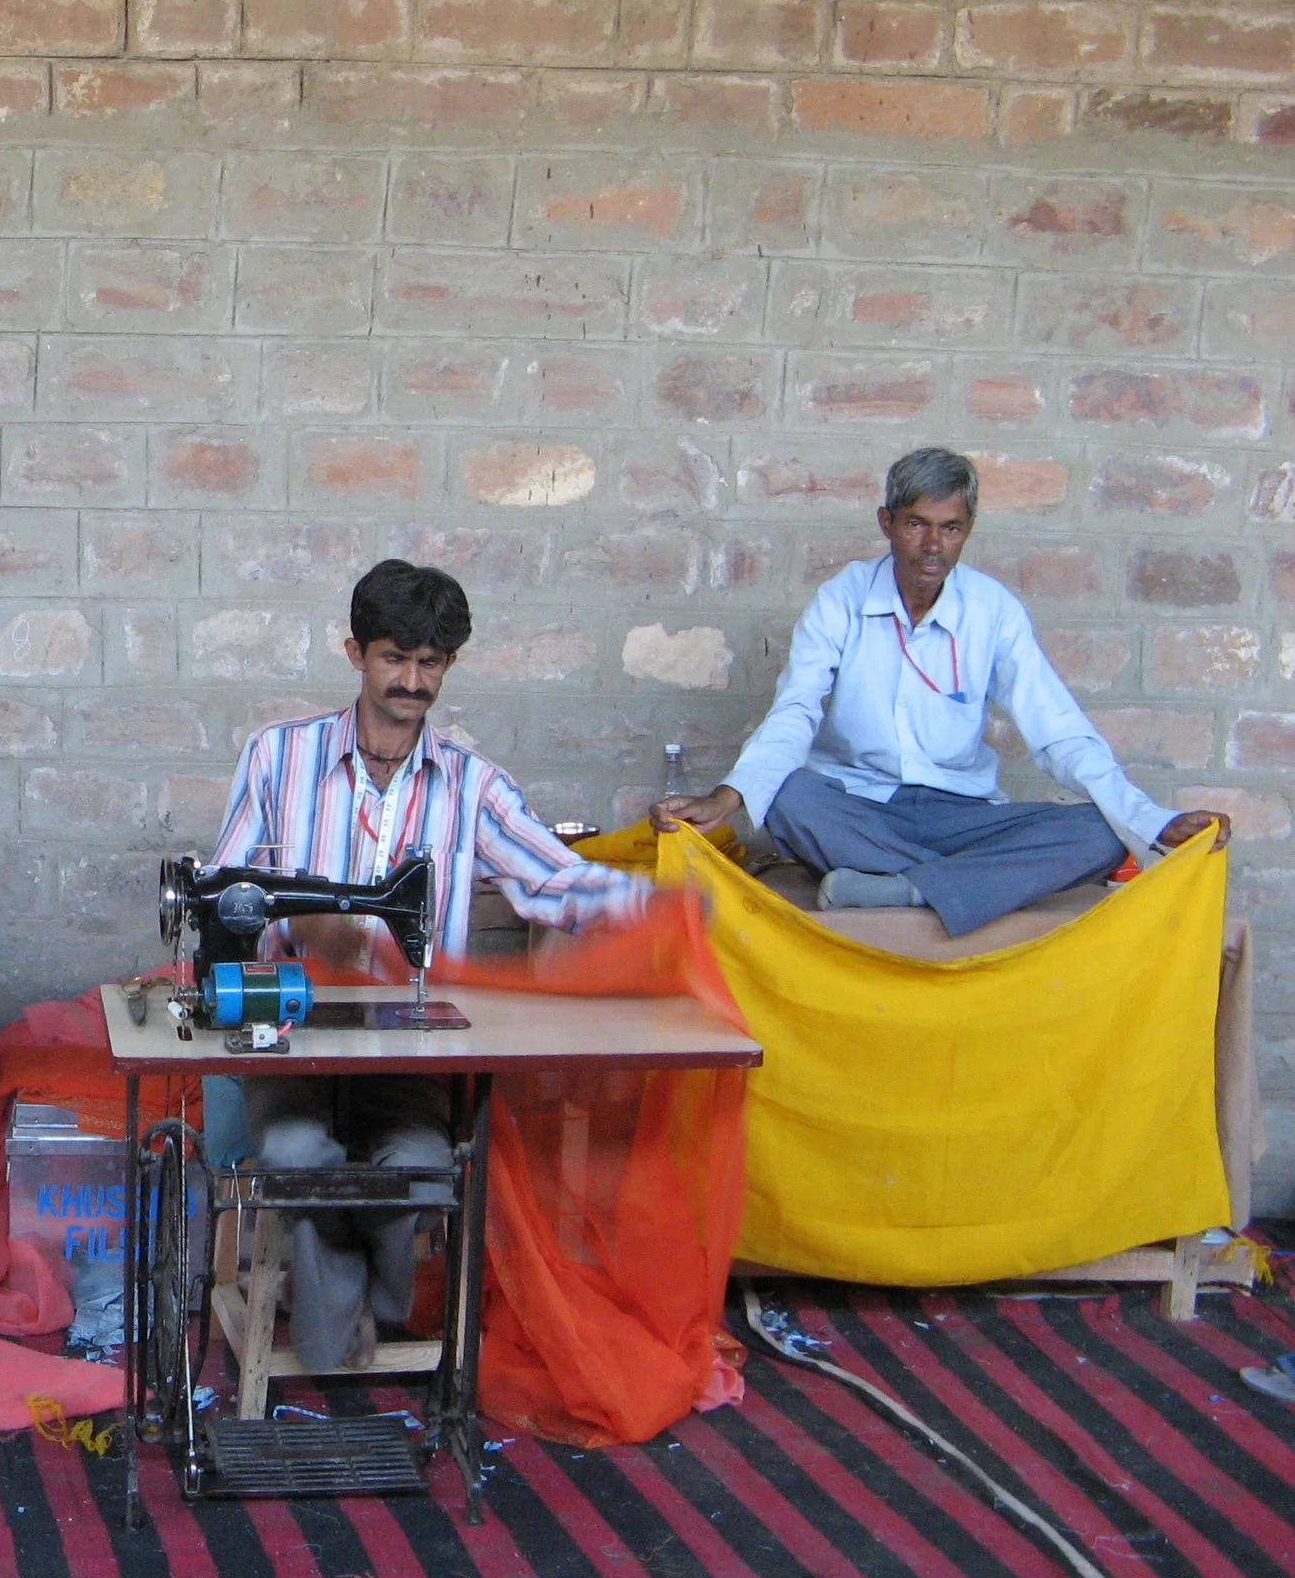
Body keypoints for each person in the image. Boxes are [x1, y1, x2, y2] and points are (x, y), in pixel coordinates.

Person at [212, 559, 649, 1373]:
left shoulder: (471, 786)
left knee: (415, 1166)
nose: (412, 682)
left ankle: (344, 1311)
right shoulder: (278, 758)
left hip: (406, 1042)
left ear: (449, 664)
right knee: (302, 1159)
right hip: (293, 1035)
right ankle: (344, 1340)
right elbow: (231, 898)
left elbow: (553, 879)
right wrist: (305, 925)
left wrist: (662, 909)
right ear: (355, 652)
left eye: (431, 663)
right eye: (394, 657)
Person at [652, 447, 1228, 936]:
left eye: (950, 528)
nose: (933, 545)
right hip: (862, 809)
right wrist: (727, 798)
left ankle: (904, 890)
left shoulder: (993, 610)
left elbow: (1059, 733)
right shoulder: (841, 599)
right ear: (886, 523)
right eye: (916, 524)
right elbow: (796, 711)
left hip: (964, 815)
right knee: (787, 797)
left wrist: (1149, 820)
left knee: (1102, 830)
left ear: (967, 530)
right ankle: (972, 884)